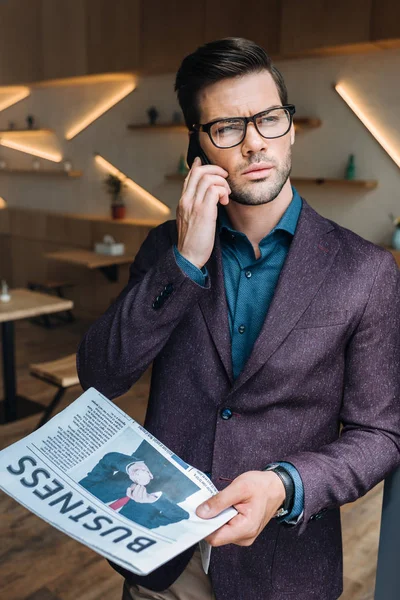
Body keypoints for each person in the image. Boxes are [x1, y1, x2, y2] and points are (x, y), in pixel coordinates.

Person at [77, 37, 400, 600]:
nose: (254, 144)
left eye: (269, 119)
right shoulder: (165, 251)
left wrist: (286, 485)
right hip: (162, 562)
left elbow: (382, 434)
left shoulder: (366, 270)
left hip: (282, 570)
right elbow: (100, 374)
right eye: (227, 128)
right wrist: (184, 263)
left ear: (291, 129)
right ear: (195, 150)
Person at [79, 450, 190, 529]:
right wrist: (153, 500)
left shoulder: (83, 492)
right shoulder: (138, 525)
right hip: (185, 478)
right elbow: (180, 515)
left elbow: (108, 460)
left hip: (155, 451)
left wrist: (131, 466)